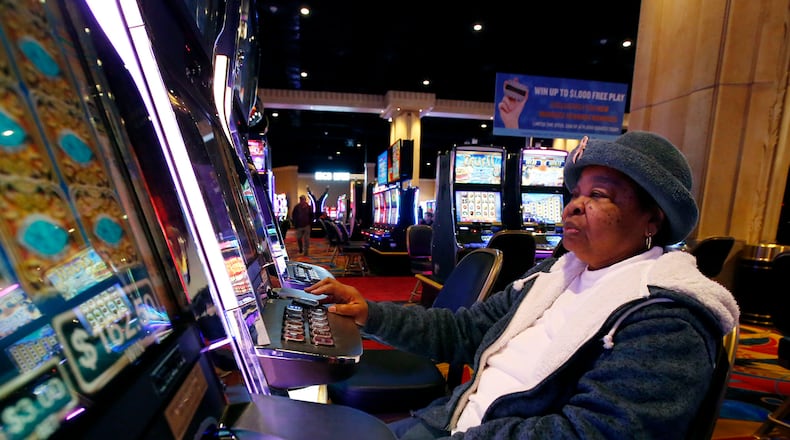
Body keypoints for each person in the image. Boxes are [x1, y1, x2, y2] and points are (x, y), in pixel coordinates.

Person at [306, 131, 740, 439]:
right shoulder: (552, 277)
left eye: (600, 195)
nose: (573, 207)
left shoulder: (664, 316)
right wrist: (369, 312)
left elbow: (594, 432)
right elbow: (462, 330)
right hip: (453, 420)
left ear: (653, 218)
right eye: (575, 193)